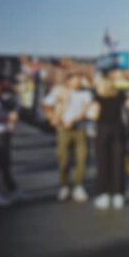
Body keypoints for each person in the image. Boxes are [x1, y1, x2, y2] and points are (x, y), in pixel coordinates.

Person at [90, 70, 129, 210]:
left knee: (103, 163)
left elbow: (94, 115)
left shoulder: (98, 97)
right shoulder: (121, 95)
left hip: (103, 131)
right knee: (118, 163)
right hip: (119, 131)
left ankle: (104, 195)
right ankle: (118, 196)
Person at [42, 73, 92, 202]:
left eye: (79, 80)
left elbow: (87, 110)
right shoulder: (59, 92)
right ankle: (64, 186)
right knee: (63, 158)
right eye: (75, 80)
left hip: (80, 129)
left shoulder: (86, 94)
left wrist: (75, 119)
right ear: (68, 81)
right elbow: (46, 105)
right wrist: (53, 118)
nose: (78, 82)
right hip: (63, 129)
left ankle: (79, 186)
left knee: (82, 158)